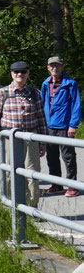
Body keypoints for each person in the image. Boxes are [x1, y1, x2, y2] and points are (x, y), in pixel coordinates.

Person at [0, 61, 47, 207]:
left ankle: (32, 207)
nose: (19, 74)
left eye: (23, 72)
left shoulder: (34, 94)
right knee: (9, 173)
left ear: (28, 74)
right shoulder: (2, 93)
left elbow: (41, 119)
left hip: (30, 137)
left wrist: (43, 143)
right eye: (16, 72)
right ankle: (12, 207)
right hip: (9, 139)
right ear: (11, 74)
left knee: (32, 173)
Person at [41, 56, 81, 197]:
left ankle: (72, 185)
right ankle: (56, 184)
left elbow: (76, 105)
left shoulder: (70, 84)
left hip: (65, 126)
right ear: (48, 67)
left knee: (68, 156)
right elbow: (42, 104)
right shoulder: (45, 84)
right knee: (51, 157)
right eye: (52, 66)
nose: (54, 68)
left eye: (57, 65)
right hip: (49, 126)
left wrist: (73, 125)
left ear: (62, 67)